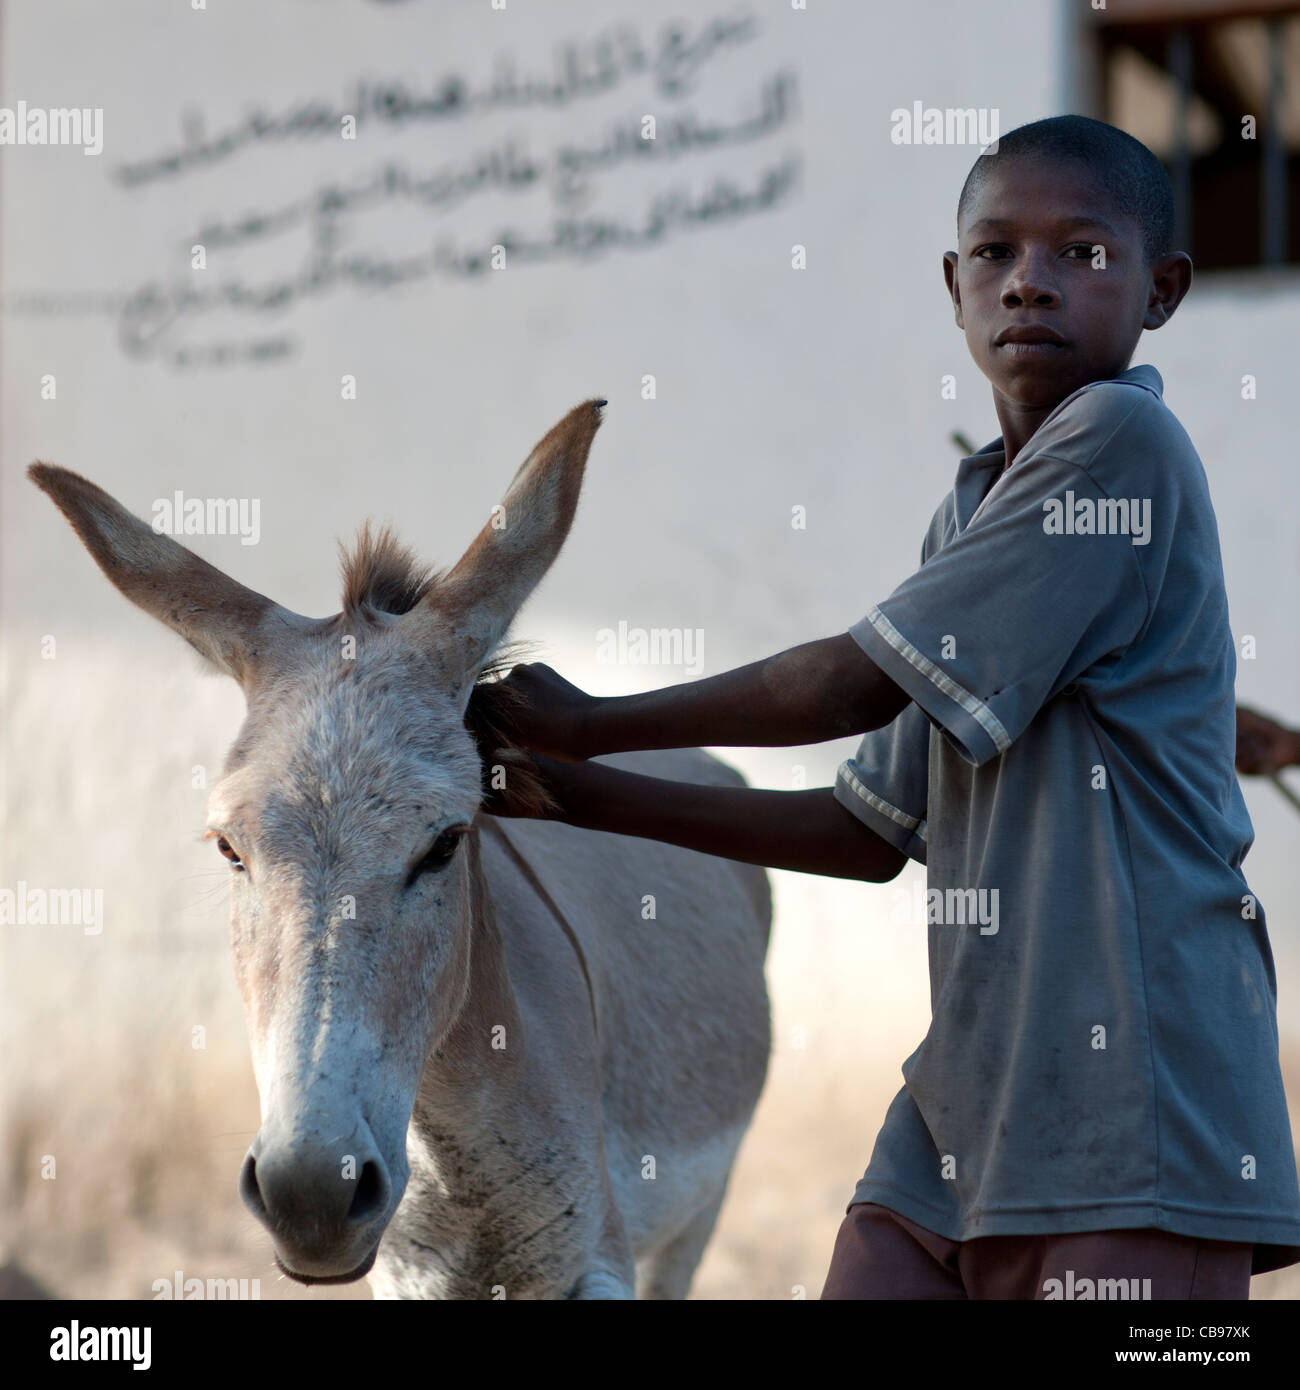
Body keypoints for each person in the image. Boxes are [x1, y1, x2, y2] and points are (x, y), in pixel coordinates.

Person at [467, 115, 1300, 1300]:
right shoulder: (968, 510)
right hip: (965, 1116)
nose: (1029, 282)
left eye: (1081, 253)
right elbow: (868, 834)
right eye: (996, 253)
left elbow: (853, 678)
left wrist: (591, 722)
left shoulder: (1125, 445)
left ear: (1161, 290)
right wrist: (575, 798)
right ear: (953, 287)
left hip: (1140, 1111)